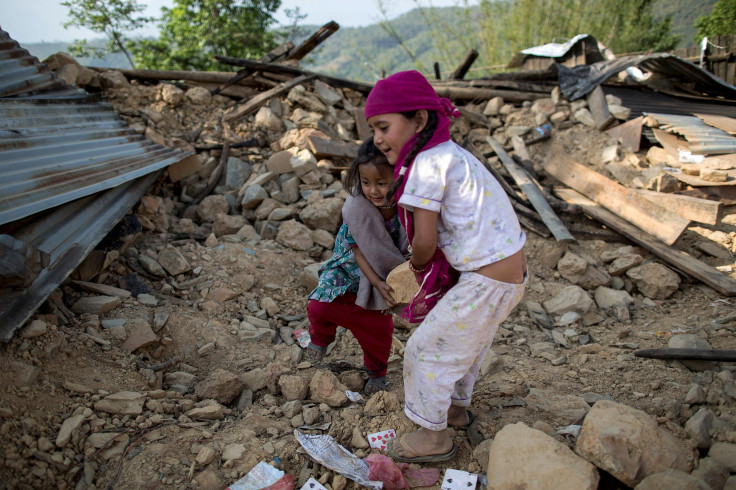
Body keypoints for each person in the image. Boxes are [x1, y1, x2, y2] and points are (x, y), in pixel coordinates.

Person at [364, 70, 528, 462]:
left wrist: (414, 269)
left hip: (486, 278)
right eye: (372, 128)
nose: (377, 139)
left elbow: (424, 241)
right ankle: (454, 410)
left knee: (425, 349)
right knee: (463, 346)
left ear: (419, 120)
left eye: (383, 126)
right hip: (508, 275)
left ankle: (432, 437)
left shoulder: (426, 164)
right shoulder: (454, 155)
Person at [305, 137, 410, 395]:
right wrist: (376, 281)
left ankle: (377, 373)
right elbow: (358, 249)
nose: (373, 190)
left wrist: (390, 282)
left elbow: (412, 245)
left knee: (377, 331)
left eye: (382, 183)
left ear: (398, 179)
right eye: (366, 183)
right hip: (348, 272)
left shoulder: (406, 209)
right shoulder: (356, 207)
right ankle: (320, 339)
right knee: (318, 306)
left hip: (384, 279)